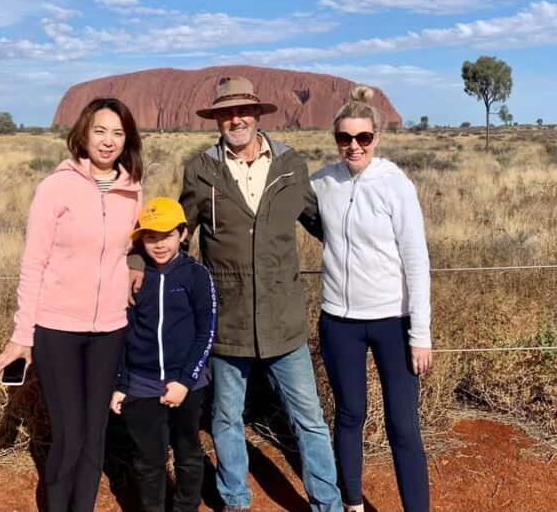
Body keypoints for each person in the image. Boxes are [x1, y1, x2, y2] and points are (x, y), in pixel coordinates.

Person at [178, 76, 342, 512]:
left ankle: (327, 502)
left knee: (309, 420)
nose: (236, 119)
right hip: (227, 320)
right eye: (227, 113)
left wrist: (371, 248)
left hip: (282, 319)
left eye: (243, 111)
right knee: (226, 418)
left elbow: (320, 221)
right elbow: (180, 232)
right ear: (217, 119)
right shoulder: (200, 170)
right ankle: (235, 498)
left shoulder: (290, 164)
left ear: (257, 115)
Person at [0, 97, 143, 512]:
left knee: (95, 434)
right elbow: (34, 263)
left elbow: (132, 245)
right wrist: (23, 335)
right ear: (83, 132)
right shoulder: (55, 187)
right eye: (100, 131)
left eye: (118, 132)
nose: (109, 141)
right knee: (71, 434)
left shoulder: (132, 188)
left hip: (110, 328)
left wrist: (136, 265)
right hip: (57, 328)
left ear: (127, 138)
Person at [310, 86, 431, 512]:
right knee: (348, 416)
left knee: (403, 426)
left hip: (391, 321)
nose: (354, 146)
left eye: (363, 138)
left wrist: (421, 333)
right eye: (345, 138)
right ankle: (353, 503)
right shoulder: (323, 181)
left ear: (376, 138)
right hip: (338, 319)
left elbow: (417, 260)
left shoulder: (396, 185)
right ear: (336, 139)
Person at [111, 196, 217, 512]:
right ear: (141, 239)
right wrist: (121, 382)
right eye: (150, 236)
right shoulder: (133, 278)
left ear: (183, 234)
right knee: (147, 460)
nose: (159, 244)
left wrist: (185, 381)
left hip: (187, 383)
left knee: (188, 451)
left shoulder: (196, 275)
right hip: (140, 383)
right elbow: (122, 334)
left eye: (167, 235)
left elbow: (206, 332)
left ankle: (186, 506)